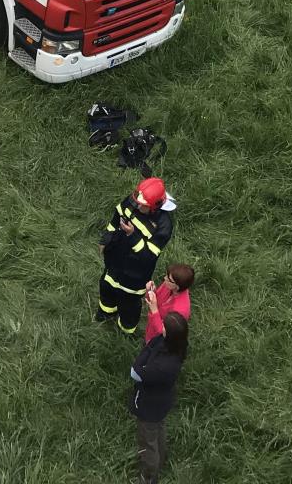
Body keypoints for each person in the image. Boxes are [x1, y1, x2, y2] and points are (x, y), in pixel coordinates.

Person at [98, 177, 174, 336]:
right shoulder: (135, 201)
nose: (137, 205)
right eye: (137, 200)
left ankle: (125, 330)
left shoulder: (163, 225)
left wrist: (132, 235)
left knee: (128, 305)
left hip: (134, 274)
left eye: (143, 205)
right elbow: (115, 218)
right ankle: (105, 314)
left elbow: (148, 257)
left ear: (154, 206)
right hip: (114, 260)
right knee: (107, 287)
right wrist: (106, 239)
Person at [129, 310, 188, 484]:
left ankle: (149, 476)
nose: (160, 326)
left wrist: (148, 348)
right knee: (159, 429)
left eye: (163, 325)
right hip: (163, 401)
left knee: (148, 441)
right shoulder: (179, 345)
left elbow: (135, 372)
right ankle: (161, 457)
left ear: (168, 334)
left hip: (149, 406)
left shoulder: (161, 366)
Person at [143, 263, 193, 343]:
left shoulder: (180, 310)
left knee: (150, 351)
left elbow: (165, 333)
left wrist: (154, 310)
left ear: (177, 286)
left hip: (160, 341)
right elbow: (157, 299)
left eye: (169, 279)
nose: (164, 278)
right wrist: (151, 291)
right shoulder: (168, 285)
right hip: (152, 329)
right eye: (167, 276)